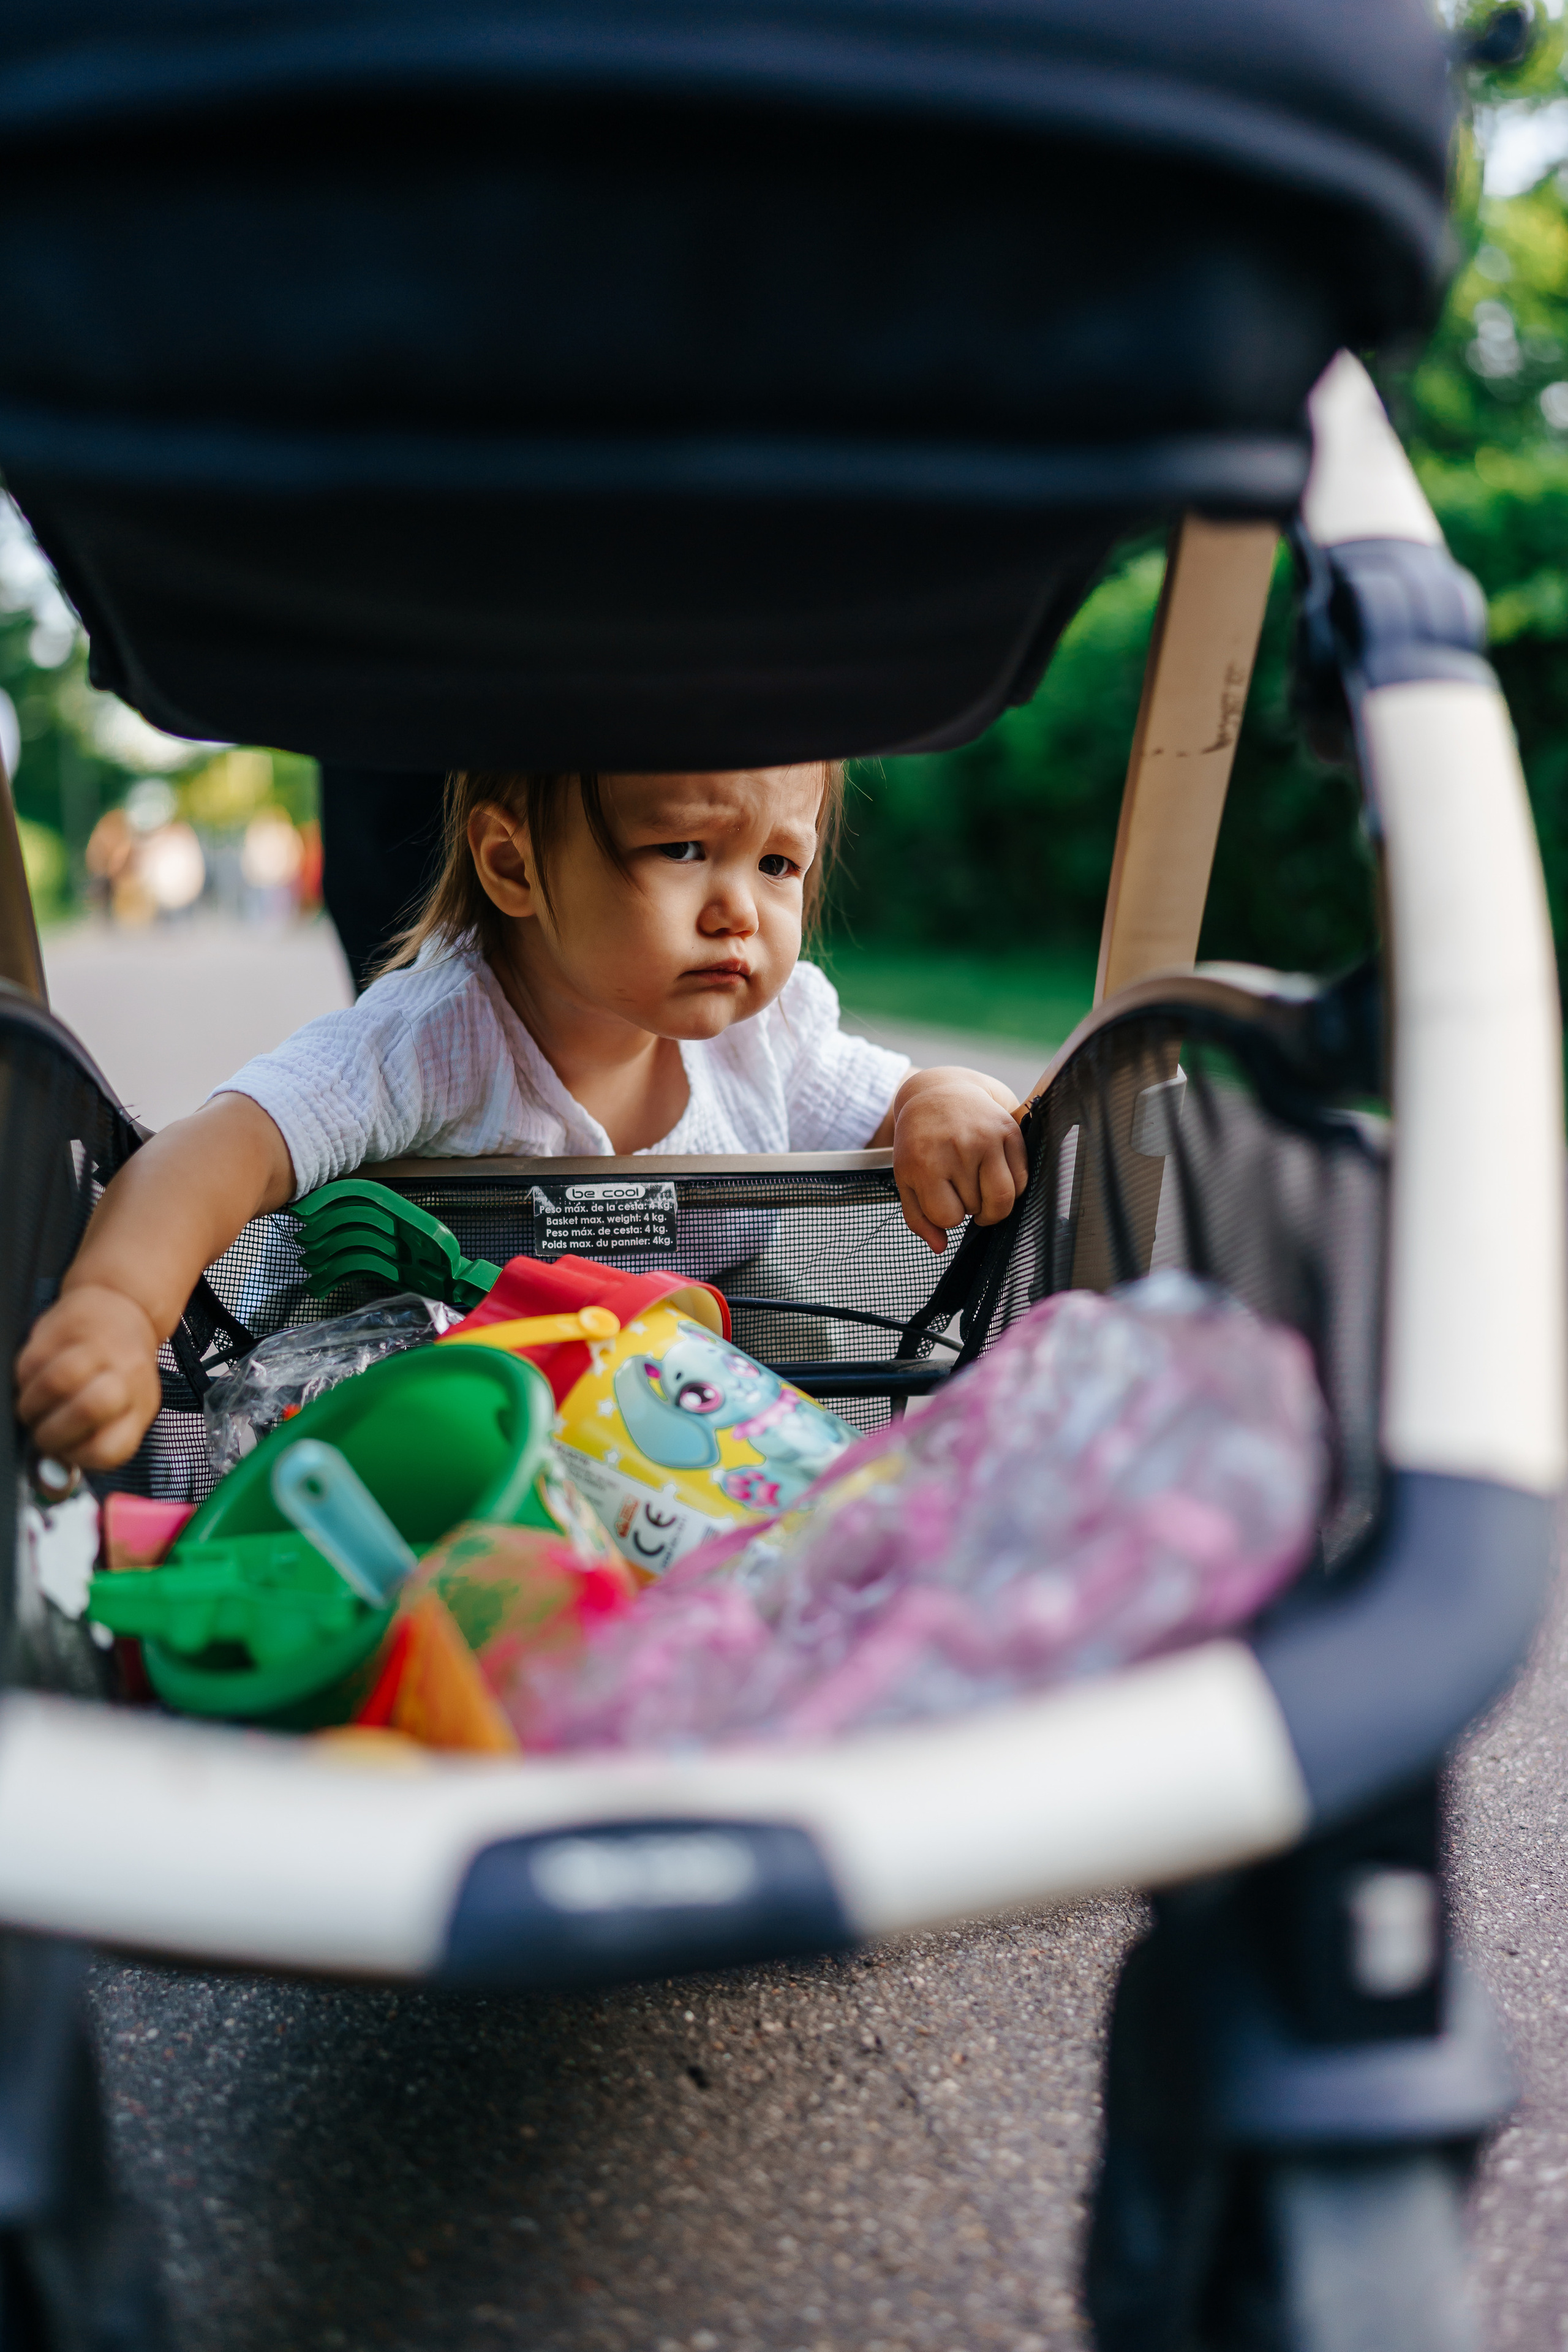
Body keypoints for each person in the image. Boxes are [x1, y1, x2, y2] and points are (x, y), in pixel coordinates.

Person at [16, 764, 1028, 1471]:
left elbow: (899, 1101)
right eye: (683, 848)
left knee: (806, 1352)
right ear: (513, 866)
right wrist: (116, 1309)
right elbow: (221, 1148)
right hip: (459, 1388)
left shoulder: (768, 1035)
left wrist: (941, 1099)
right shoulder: (434, 1035)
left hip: (702, 1385)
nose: (740, 911)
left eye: (778, 865)